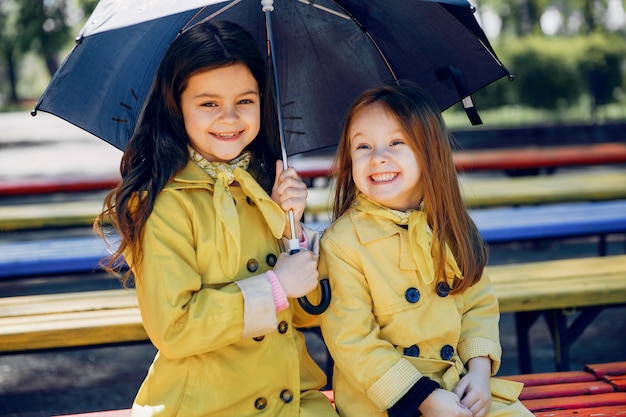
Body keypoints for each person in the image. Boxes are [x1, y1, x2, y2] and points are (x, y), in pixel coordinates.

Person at [94, 20, 336, 417]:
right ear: (177, 106)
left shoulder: (262, 187)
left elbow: (306, 313)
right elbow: (175, 327)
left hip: (292, 400)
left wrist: (291, 230)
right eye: (208, 103)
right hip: (206, 406)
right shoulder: (162, 205)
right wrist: (275, 285)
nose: (229, 118)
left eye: (245, 101)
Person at [318, 81, 533, 417]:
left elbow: (477, 303)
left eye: (396, 142)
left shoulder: (448, 225)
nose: (378, 158)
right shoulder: (342, 244)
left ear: (429, 150)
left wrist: (478, 373)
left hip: (458, 386)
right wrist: (425, 398)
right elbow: (353, 341)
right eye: (363, 147)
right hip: (386, 402)